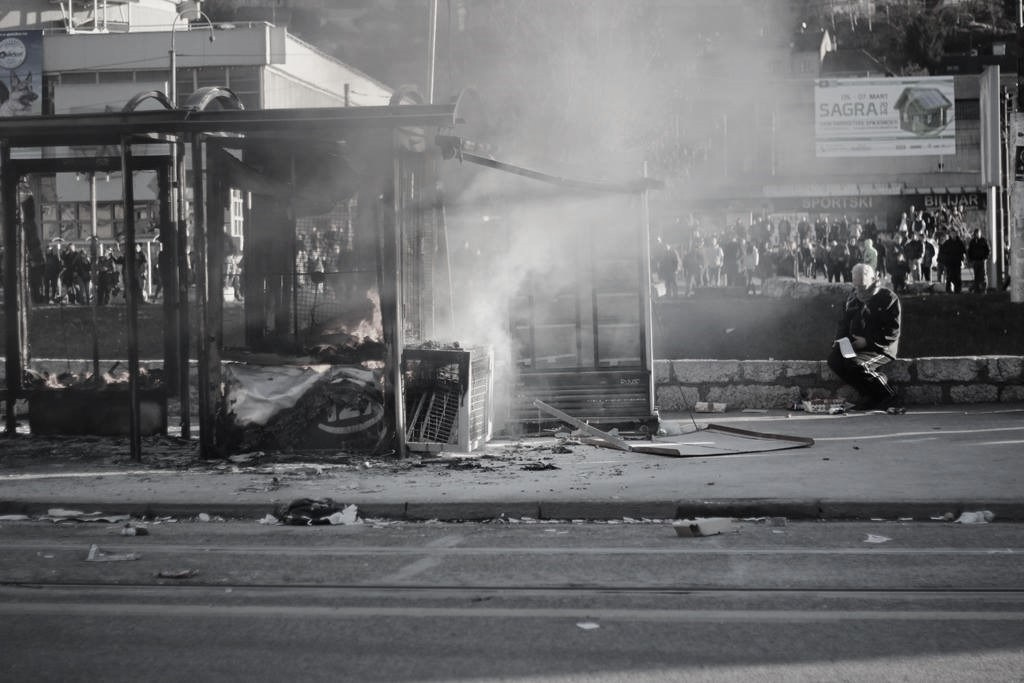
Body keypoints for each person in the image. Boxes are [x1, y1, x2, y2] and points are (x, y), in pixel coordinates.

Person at [827, 263, 902, 412]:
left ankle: (889, 394)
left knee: (857, 364)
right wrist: (840, 341)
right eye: (857, 286)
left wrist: (867, 341)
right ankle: (868, 395)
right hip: (857, 345)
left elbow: (892, 331)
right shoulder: (852, 299)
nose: (859, 290)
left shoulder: (888, 298)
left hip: (881, 347)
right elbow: (843, 324)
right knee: (834, 360)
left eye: (863, 286)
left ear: (873, 279)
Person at [966, 228, 991, 293]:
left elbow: (988, 250)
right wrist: (970, 259)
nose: (977, 234)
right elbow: (969, 251)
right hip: (975, 261)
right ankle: (976, 290)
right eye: (976, 233)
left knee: (983, 276)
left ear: (980, 233)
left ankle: (984, 289)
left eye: (978, 233)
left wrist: (985, 258)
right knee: (976, 276)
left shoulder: (984, 240)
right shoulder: (972, 242)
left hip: (982, 261)